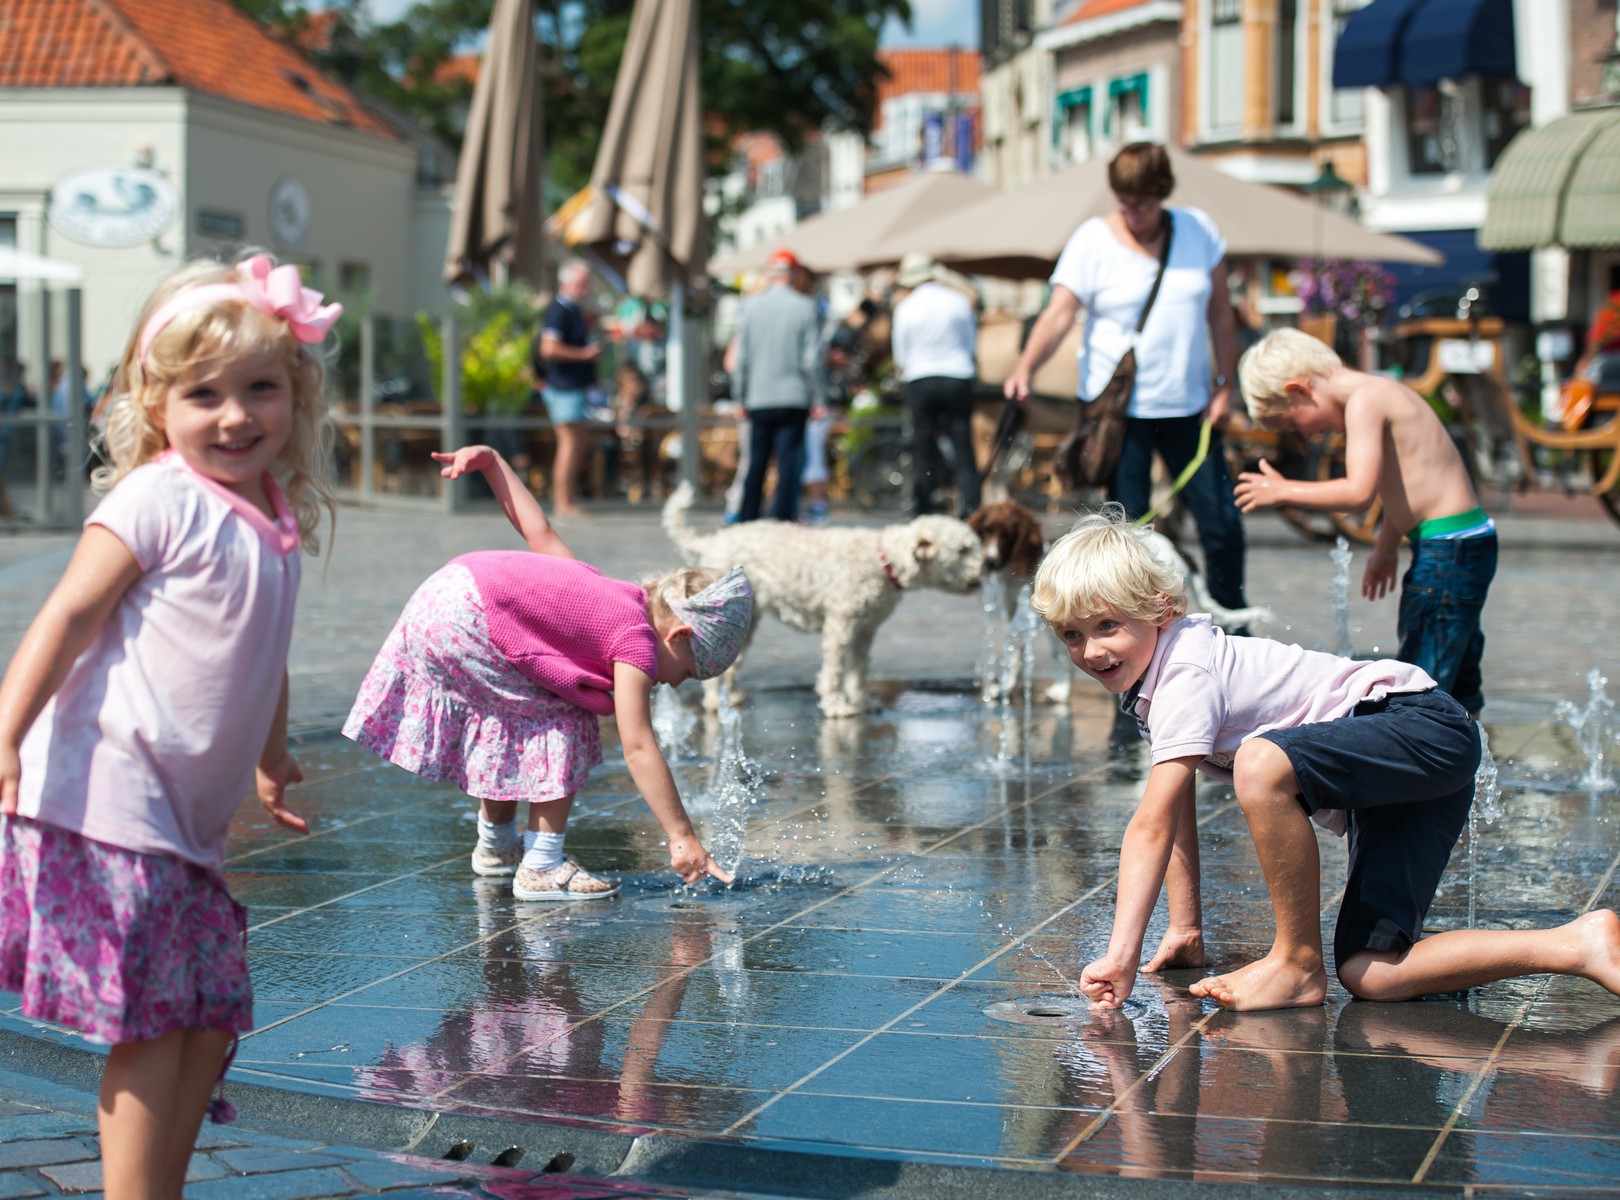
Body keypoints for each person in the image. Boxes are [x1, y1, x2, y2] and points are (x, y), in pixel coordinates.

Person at [0, 252, 340, 1197]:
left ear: (295, 392)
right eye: (204, 395)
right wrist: (4, 731)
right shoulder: (157, 498)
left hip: (184, 823)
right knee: (155, 1021)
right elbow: (67, 615)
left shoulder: (273, 513)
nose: (235, 417)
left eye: (259, 389)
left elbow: (263, 655)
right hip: (110, 791)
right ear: (156, 405)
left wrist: (273, 759)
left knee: (210, 1016)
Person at [1030, 506, 1620, 1013]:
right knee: (1373, 974)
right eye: (1071, 636)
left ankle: (1295, 962)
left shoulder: (1186, 673)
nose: (1090, 650)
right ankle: (1577, 945)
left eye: (1107, 625)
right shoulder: (1152, 682)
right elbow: (1175, 805)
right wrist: (1185, 929)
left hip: (1418, 725)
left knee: (1260, 763)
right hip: (1406, 776)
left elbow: (1152, 823)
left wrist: (1120, 954)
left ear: (1161, 609)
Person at [342, 443, 748, 901]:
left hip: (443, 594)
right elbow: (637, 747)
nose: (674, 684)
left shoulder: (605, 591)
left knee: (515, 714)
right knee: (573, 710)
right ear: (676, 634)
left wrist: (494, 464)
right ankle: (541, 865)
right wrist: (682, 836)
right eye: (689, 673)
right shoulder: (635, 642)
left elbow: (538, 530)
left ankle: (496, 847)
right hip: (469, 617)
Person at [1004, 141, 1248, 614]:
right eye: (1123, 201)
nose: (1132, 212)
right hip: (1119, 412)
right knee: (1130, 533)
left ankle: (1232, 624)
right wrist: (1024, 367)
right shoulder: (1091, 240)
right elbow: (1059, 313)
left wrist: (1226, 386)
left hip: (1189, 404)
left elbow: (1221, 314)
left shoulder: (1198, 231)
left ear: (1162, 194)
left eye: (1142, 202)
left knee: (1222, 526)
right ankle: (1138, 637)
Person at [1233, 328, 1497, 715]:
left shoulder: (1365, 401)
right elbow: (1402, 486)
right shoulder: (1381, 391)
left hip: (1447, 551)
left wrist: (1283, 490)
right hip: (1461, 541)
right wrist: (1386, 547)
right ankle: (1466, 758)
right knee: (1456, 677)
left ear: (1299, 391)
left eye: (1292, 423)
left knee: (1419, 688)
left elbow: (1359, 492)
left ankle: (1419, 757)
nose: (1306, 435)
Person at [731, 248, 822, 523]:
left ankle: (747, 518)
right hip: (793, 397)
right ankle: (782, 518)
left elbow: (741, 359)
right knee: (788, 463)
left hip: (758, 397)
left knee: (756, 462)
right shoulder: (805, 306)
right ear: (793, 274)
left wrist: (740, 397)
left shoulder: (751, 307)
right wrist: (818, 397)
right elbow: (811, 360)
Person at [891, 252, 981, 518]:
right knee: (964, 448)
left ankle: (923, 511)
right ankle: (970, 510)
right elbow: (970, 344)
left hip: (920, 378)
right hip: (958, 376)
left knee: (922, 449)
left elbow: (900, 354)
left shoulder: (906, 307)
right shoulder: (958, 301)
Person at [540, 259, 603, 518]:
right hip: (564, 388)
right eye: (581, 283)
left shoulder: (572, 310)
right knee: (569, 445)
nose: (585, 289)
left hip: (573, 388)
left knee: (577, 444)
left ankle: (568, 500)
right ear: (565, 282)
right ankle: (563, 503)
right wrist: (584, 355)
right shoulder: (559, 310)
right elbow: (549, 348)